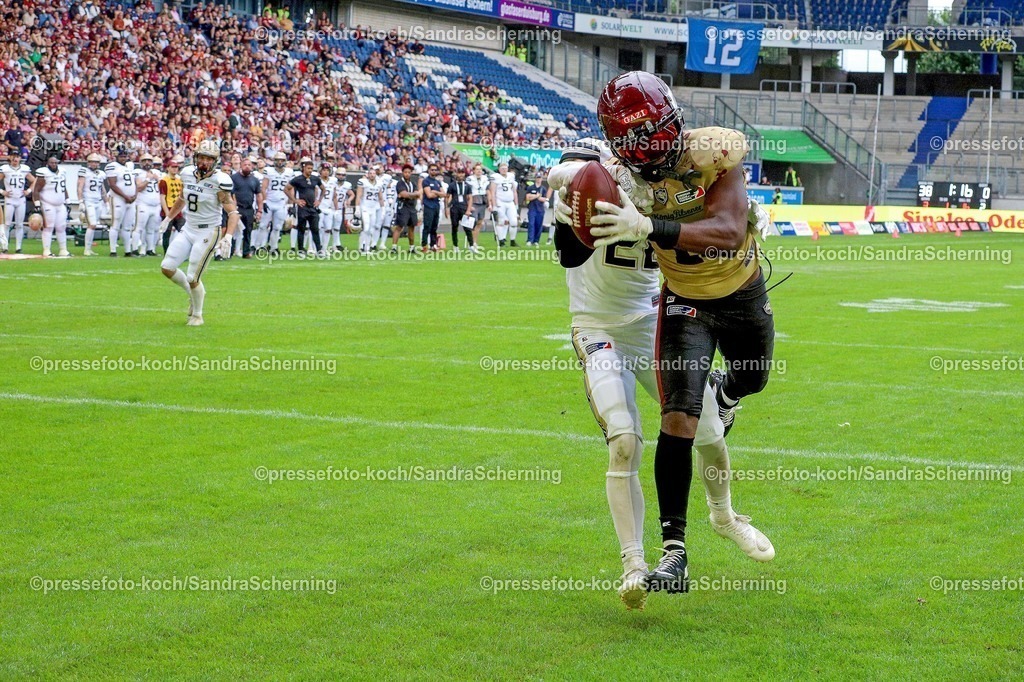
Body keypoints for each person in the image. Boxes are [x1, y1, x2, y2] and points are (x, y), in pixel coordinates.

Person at [560, 72, 776, 594]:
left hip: (657, 310)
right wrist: (563, 203)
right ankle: (644, 561)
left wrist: (743, 208)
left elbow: (720, 200)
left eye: (658, 130)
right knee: (632, 438)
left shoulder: (707, 153)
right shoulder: (600, 179)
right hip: (612, 321)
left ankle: (724, 515)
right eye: (637, 138)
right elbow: (568, 173)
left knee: (713, 427)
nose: (651, 146)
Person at [159, 139, 239, 327]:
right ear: (195, 158)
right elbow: (181, 199)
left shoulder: (220, 181)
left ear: (215, 161)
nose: (204, 162)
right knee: (167, 267)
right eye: (201, 157)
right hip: (188, 228)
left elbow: (233, 212)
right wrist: (169, 218)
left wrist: (228, 236)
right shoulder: (186, 173)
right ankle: (193, 295)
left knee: (193, 276)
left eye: (208, 159)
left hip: (208, 231)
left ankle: (197, 315)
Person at [32, 156, 70, 257]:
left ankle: (63, 250)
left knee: (61, 227)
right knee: (48, 227)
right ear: (47, 163)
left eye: (55, 163)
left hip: (60, 204)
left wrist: (68, 200)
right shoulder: (43, 173)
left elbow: (63, 187)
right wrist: (37, 205)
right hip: (48, 203)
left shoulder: (62, 171)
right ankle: (47, 250)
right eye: (51, 163)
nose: (54, 165)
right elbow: (36, 190)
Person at [285, 157, 323, 257]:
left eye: (311, 168)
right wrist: (295, 200)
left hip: (313, 208)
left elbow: (323, 189)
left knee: (315, 229)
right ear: (304, 168)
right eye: (308, 168)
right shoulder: (298, 179)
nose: (310, 170)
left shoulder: (315, 178)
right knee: (301, 229)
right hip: (303, 207)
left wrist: (319, 200)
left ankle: (319, 250)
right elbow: (286, 189)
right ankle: (301, 250)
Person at [105, 147, 137, 257]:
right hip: (118, 199)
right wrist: (125, 196)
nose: (123, 158)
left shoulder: (130, 165)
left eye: (124, 156)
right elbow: (112, 184)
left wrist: (134, 195)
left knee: (128, 226)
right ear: (116, 156)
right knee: (115, 224)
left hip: (131, 200)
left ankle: (128, 251)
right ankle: (113, 250)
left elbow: (134, 182)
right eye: (121, 156)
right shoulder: (112, 166)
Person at [0, 151, 34, 254]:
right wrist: (2, 192)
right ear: (10, 157)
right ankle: (4, 246)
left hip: (20, 199)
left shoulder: (24, 169)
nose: (15, 159)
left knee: (20, 224)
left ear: (20, 158)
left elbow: (34, 180)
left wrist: (28, 191)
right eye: (13, 156)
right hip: (10, 199)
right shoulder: (5, 169)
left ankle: (18, 247)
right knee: (7, 224)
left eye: (17, 157)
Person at [260, 152, 293, 255]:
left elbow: (291, 188)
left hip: (281, 202)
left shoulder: (289, 172)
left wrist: (291, 203)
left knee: (277, 227)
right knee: (263, 225)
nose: (280, 162)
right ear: (274, 161)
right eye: (278, 160)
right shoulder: (268, 171)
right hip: (269, 201)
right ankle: (260, 246)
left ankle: (273, 247)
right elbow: (264, 188)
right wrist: (264, 201)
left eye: (282, 160)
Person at [231, 156, 263, 259]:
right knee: (233, 231)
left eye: (249, 165)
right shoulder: (234, 178)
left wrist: (259, 210)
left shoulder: (255, 180)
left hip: (249, 208)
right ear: (241, 165)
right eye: (245, 165)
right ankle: (229, 252)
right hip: (237, 207)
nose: (247, 167)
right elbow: (231, 194)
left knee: (248, 231)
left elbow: (259, 195)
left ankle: (246, 252)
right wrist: (233, 208)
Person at [134, 154, 164, 256]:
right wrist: (147, 179)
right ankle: (135, 249)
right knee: (139, 228)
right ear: (140, 162)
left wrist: (157, 179)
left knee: (152, 229)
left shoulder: (157, 173)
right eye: (144, 161)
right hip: (143, 204)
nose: (147, 163)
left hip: (155, 205)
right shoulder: (138, 172)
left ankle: (150, 249)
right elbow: (138, 188)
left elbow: (163, 187)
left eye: (149, 161)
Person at [78, 154, 107, 256]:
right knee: (92, 224)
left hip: (98, 201)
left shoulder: (101, 174)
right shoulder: (84, 172)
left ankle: (89, 248)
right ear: (88, 162)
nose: (94, 164)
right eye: (92, 162)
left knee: (93, 226)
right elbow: (80, 187)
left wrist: (106, 202)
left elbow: (102, 189)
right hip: (88, 200)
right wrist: (80, 201)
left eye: (96, 162)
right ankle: (86, 249)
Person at [390, 164, 419, 253]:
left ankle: (411, 247)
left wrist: (410, 195)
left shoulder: (413, 183)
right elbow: (404, 194)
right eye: (405, 172)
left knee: (412, 227)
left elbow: (417, 195)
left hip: (412, 207)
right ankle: (394, 247)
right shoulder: (400, 183)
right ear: (402, 173)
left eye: (409, 172)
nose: (407, 174)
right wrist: (412, 195)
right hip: (403, 206)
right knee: (399, 226)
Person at [159, 157, 185, 254]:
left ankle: (182, 251)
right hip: (168, 208)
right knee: (167, 233)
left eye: (176, 167)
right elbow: (162, 197)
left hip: (177, 210)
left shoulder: (179, 181)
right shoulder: (164, 181)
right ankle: (166, 252)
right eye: (173, 167)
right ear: (168, 168)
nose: (175, 169)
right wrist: (167, 213)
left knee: (184, 230)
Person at [490, 162, 519, 247]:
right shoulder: (495, 177)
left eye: (505, 168)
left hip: (510, 202)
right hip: (500, 201)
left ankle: (512, 240)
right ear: (499, 169)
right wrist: (494, 205)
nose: (504, 169)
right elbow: (493, 192)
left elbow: (514, 191)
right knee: (501, 221)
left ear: (508, 168)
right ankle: (501, 240)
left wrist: (516, 203)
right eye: (502, 168)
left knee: (514, 222)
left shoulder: (511, 176)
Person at [356, 165, 384, 254]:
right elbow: (359, 195)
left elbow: (380, 198)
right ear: (367, 174)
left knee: (371, 229)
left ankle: (367, 248)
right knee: (366, 227)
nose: (372, 175)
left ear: (376, 174)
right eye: (370, 173)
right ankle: (361, 247)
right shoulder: (363, 182)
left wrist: (382, 209)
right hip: (365, 207)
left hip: (373, 209)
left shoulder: (379, 183)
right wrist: (357, 208)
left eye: (374, 173)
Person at [466, 163, 489, 254]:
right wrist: (469, 204)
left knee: (479, 222)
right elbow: (467, 192)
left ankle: (475, 242)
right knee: (473, 222)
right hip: (474, 200)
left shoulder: (485, 178)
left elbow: (488, 190)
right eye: (477, 169)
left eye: (480, 169)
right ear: (474, 170)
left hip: (482, 199)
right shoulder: (470, 179)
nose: (479, 171)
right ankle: (471, 243)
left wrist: (489, 202)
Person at [446, 167, 470, 253]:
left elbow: (470, 198)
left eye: (462, 173)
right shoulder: (452, 185)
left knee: (467, 227)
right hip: (454, 208)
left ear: (464, 174)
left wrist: (469, 209)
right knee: (454, 227)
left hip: (464, 208)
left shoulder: (467, 185)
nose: (461, 174)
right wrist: (447, 208)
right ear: (456, 174)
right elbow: (447, 196)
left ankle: (471, 246)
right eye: (459, 173)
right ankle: (455, 246)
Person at [420, 163, 443, 251]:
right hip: (429, 206)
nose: (433, 171)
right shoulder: (426, 181)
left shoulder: (437, 182)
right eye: (432, 169)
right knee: (427, 226)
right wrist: (438, 194)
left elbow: (444, 194)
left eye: (435, 170)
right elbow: (429, 195)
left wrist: (436, 193)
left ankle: (433, 245)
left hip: (436, 205)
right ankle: (424, 245)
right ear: (429, 170)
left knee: (434, 226)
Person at [523, 171, 548, 246]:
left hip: (540, 209)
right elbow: (528, 197)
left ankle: (536, 240)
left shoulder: (543, 189)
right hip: (532, 208)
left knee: (538, 225)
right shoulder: (531, 187)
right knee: (531, 224)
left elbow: (544, 199)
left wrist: (535, 197)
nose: (538, 179)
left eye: (540, 178)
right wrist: (536, 196)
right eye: (537, 178)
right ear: (535, 178)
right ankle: (530, 239)